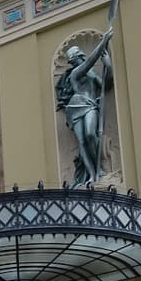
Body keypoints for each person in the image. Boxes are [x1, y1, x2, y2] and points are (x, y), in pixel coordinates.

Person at [55, 27, 115, 185]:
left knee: (90, 135)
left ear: (78, 56)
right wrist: (103, 42)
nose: (73, 62)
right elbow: (90, 62)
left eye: (73, 59)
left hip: (89, 105)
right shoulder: (75, 73)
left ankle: (99, 171)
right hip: (75, 107)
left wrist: (108, 65)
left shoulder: (91, 74)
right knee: (81, 142)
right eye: (71, 61)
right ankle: (91, 175)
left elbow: (105, 86)